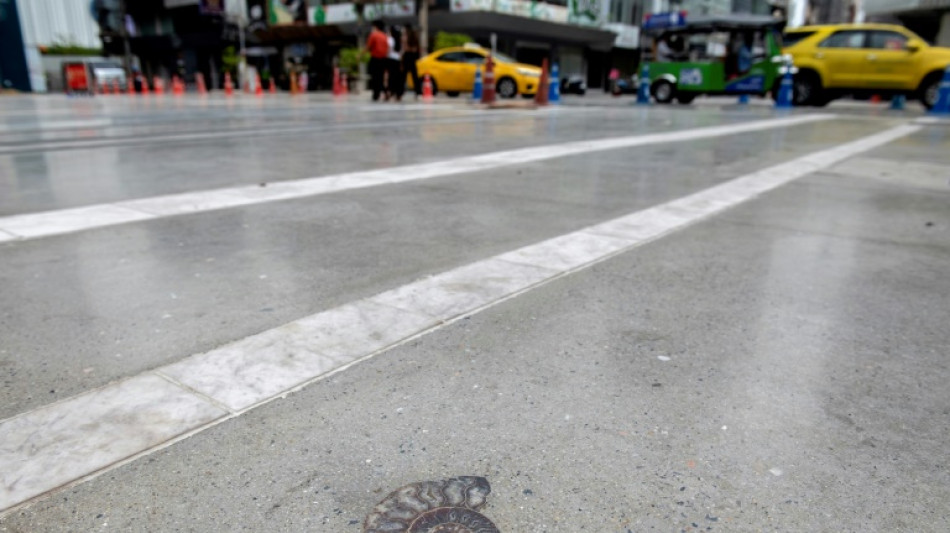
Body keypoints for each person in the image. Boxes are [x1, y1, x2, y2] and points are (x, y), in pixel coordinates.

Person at [366, 20, 389, 101]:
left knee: (375, 77)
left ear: (375, 27)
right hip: (383, 59)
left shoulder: (373, 35)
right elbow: (387, 48)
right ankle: (385, 92)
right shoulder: (384, 36)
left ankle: (376, 94)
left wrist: (360, 55)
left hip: (375, 59)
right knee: (381, 77)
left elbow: (368, 47)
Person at [402, 26, 421, 99]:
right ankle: (417, 91)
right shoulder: (414, 38)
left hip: (407, 57)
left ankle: (401, 92)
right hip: (412, 57)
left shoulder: (407, 38)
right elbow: (416, 49)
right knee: (414, 76)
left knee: (404, 75)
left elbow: (405, 48)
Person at [386, 25, 404, 101]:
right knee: (398, 77)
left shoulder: (390, 39)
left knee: (391, 77)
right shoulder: (400, 39)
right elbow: (402, 51)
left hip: (391, 59)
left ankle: (390, 92)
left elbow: (388, 49)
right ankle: (398, 94)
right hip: (398, 59)